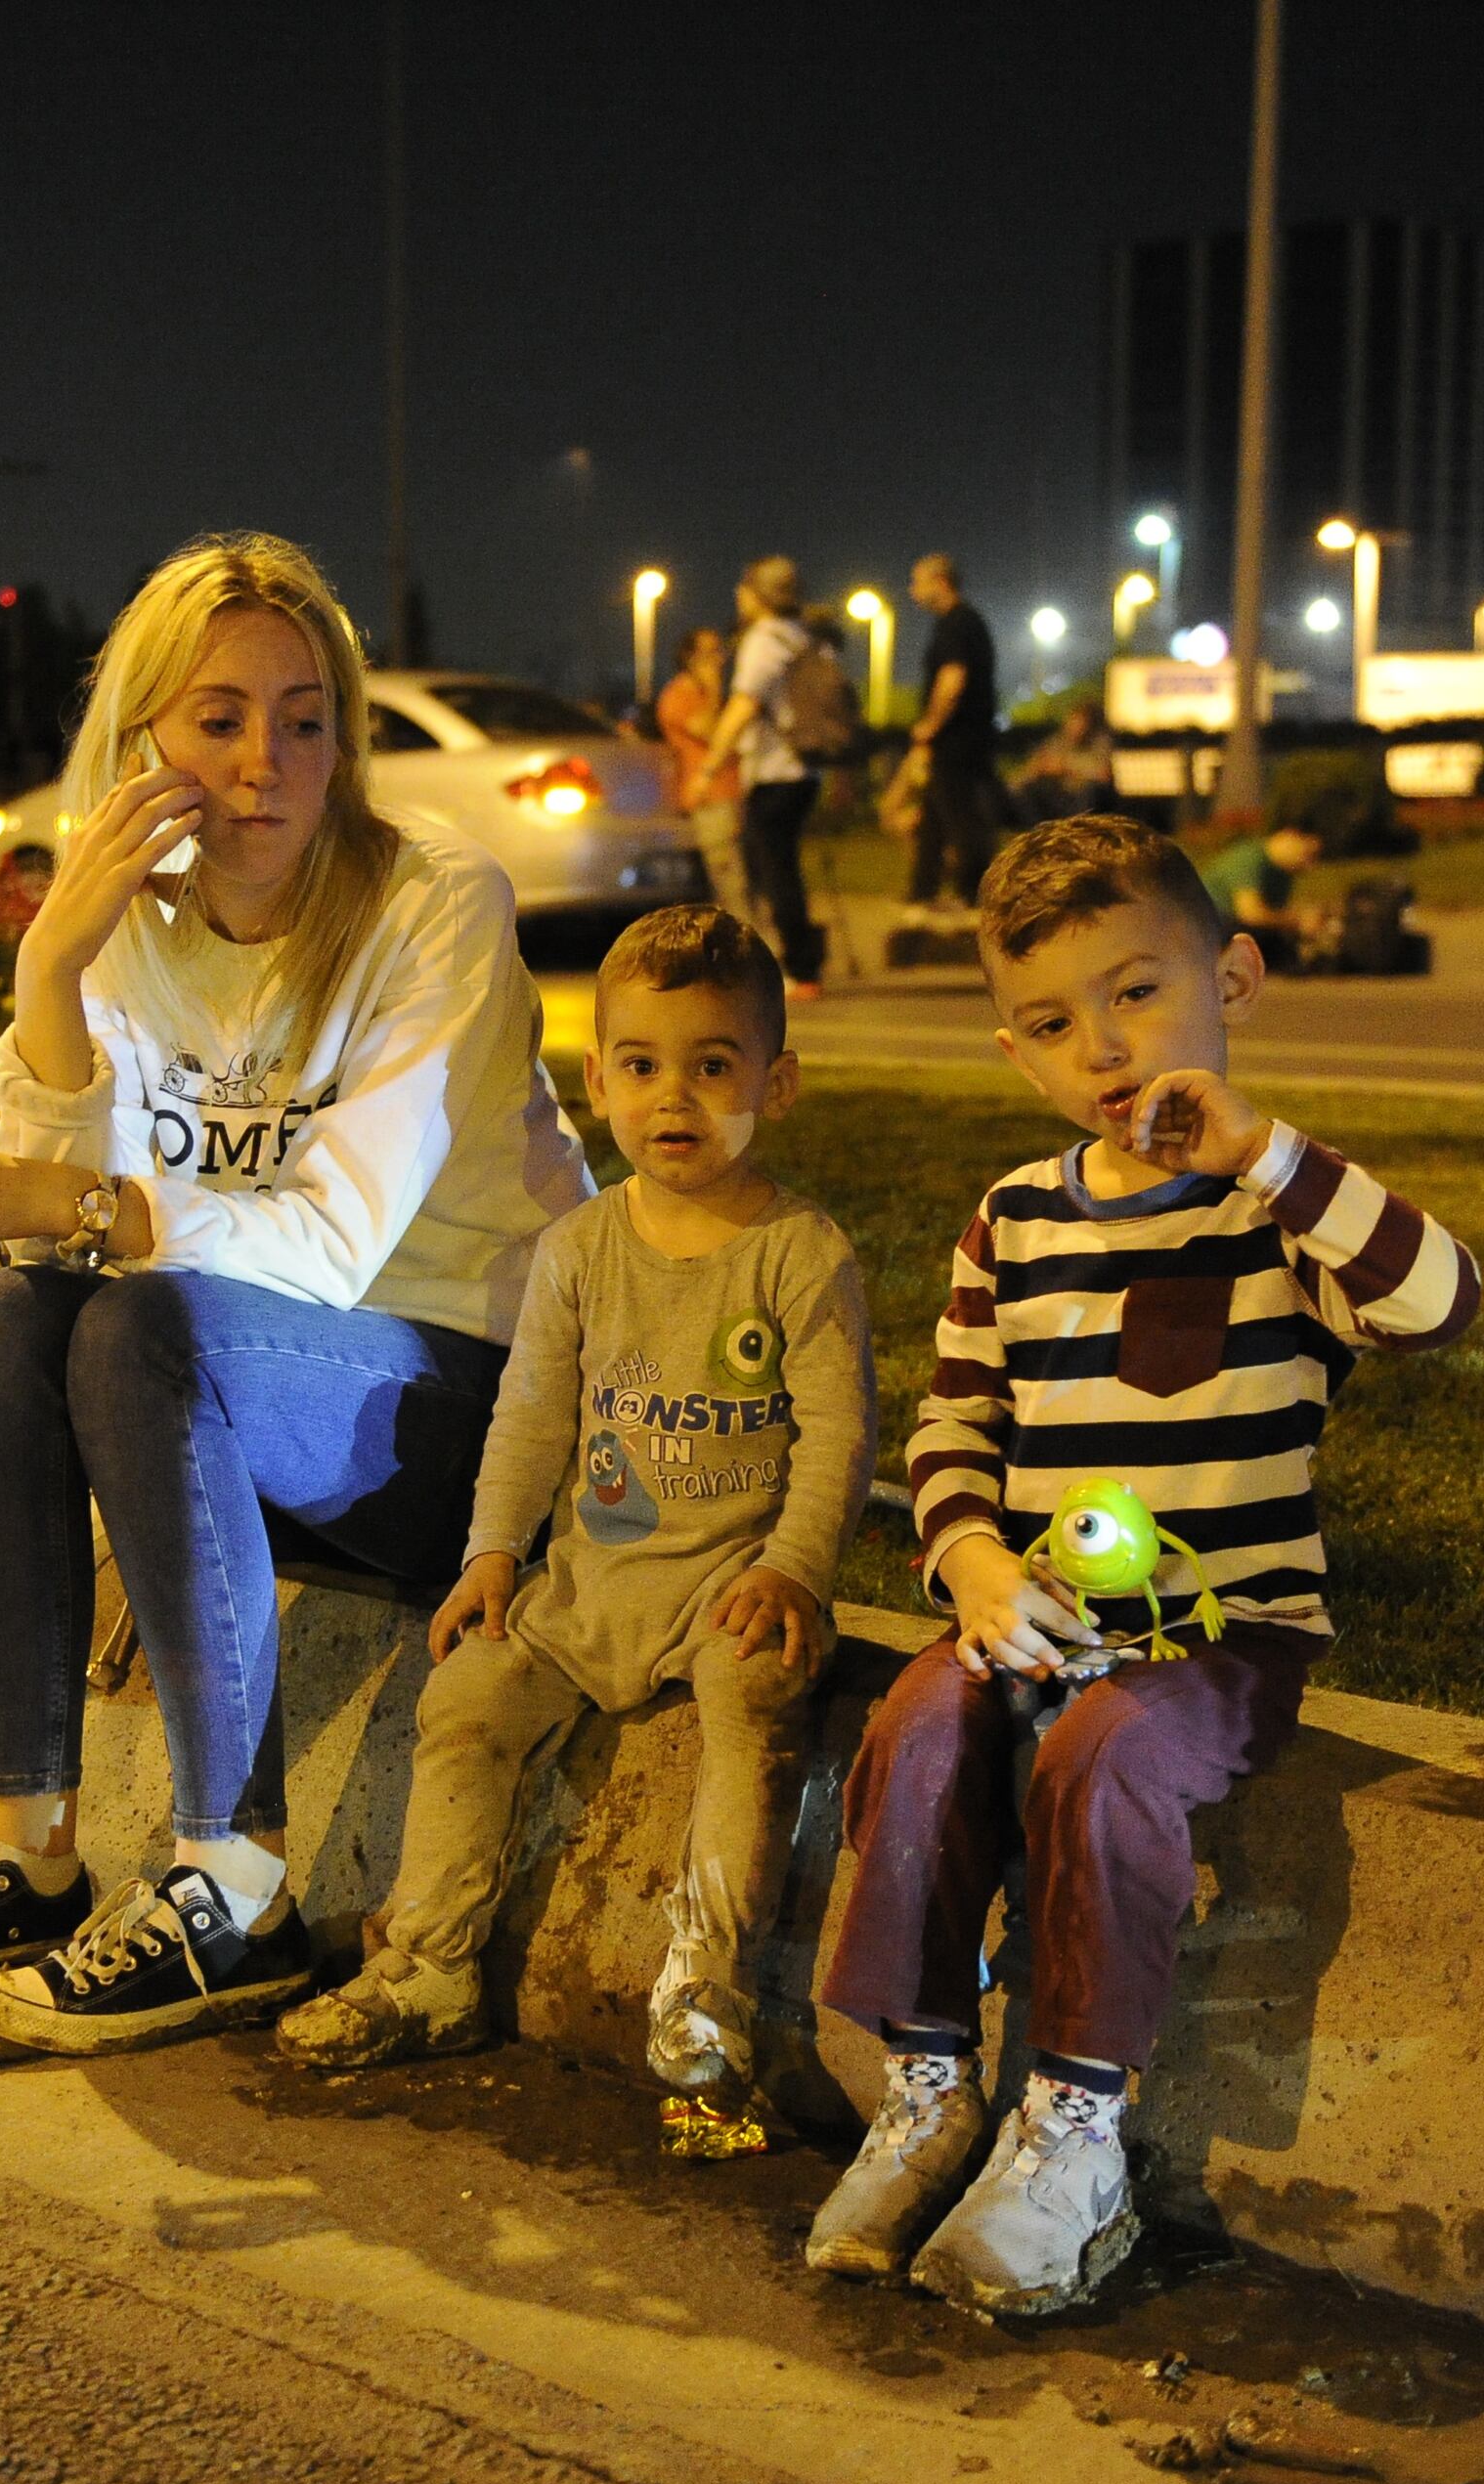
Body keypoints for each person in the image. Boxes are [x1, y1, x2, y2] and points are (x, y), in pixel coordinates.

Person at [0, 532, 595, 2053]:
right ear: (144, 734)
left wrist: (71, 1202)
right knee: (15, 1316)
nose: (265, 761)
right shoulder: (131, 928)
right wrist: (49, 970)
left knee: (139, 1314)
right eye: (217, 718)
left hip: (476, 1407)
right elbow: (39, 1248)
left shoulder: (434, 902)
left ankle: (237, 1881)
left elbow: (332, 1239)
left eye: (305, 715)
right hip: (243, 1388)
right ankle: (19, 1849)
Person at [804, 812, 1479, 2318]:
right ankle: (924, 2089)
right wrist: (971, 1560)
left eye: (1138, 991)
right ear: (1014, 1051)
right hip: (1034, 1617)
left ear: (1233, 978)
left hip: (1220, 1639)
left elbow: (1440, 1301)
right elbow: (956, 1421)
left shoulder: (1276, 1208)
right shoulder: (1016, 1219)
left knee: (1108, 1750)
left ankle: (1076, 2126)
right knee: (916, 1725)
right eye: (1054, 1021)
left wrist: (1273, 1154)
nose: (1104, 1044)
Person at [276, 905, 874, 2089]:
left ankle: (708, 1981)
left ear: (779, 1081)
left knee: (754, 1709)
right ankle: (431, 1963)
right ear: (596, 1080)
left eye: (714, 1067)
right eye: (644, 1067)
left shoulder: (802, 1255)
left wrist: (794, 1565)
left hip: (727, 1580)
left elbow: (842, 1433)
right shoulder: (581, 1247)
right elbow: (535, 1412)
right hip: (589, 1576)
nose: (675, 1098)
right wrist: (493, 1550)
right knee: (467, 1699)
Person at [705, 555, 830, 999]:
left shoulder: (764, 639)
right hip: (806, 770)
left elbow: (744, 704)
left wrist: (710, 764)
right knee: (780, 868)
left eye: (743, 589)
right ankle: (802, 959)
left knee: (774, 871)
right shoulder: (807, 638)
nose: (738, 597)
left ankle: (801, 967)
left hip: (776, 772)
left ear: (759, 596)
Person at [902, 554, 1002, 931]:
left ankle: (975, 897)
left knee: (962, 819)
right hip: (963, 739)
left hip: (960, 739)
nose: (913, 590)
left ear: (940, 582)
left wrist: (930, 724)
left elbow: (952, 680)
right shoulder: (959, 623)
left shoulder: (958, 624)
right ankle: (921, 895)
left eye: (917, 581)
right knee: (933, 818)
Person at [656, 627, 751, 941]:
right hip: (709, 796)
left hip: (729, 792)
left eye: (719, 652)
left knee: (741, 873)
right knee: (728, 875)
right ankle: (741, 944)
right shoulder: (678, 697)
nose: (718, 661)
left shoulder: (711, 696)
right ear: (690, 659)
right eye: (709, 654)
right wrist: (712, 690)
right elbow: (711, 732)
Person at [1194, 822, 1327, 972]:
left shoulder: (1284, 873)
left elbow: (1274, 917)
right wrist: (1298, 921)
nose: (1310, 866)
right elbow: (1251, 914)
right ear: (1290, 835)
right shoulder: (1249, 858)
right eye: (1309, 854)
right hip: (1208, 927)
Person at [1012, 700, 1113, 824]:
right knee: (1026, 789)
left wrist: (1066, 767)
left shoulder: (1100, 742)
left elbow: (1103, 774)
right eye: (1072, 721)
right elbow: (1037, 764)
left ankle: (1079, 827)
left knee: (1088, 791)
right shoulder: (1058, 741)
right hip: (1058, 791)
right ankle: (1036, 829)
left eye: (1079, 722)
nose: (1074, 726)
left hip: (1080, 792)